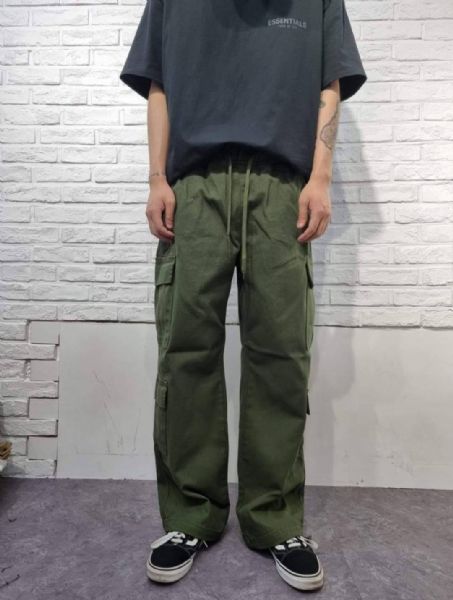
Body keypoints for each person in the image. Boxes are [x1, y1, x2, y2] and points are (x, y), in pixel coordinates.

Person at [120, 0, 366, 591]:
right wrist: (157, 178)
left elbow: (328, 84)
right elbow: (159, 84)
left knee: (281, 355)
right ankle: (190, 516)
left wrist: (321, 177)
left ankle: (275, 517)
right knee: (186, 353)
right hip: (194, 185)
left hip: (281, 188)